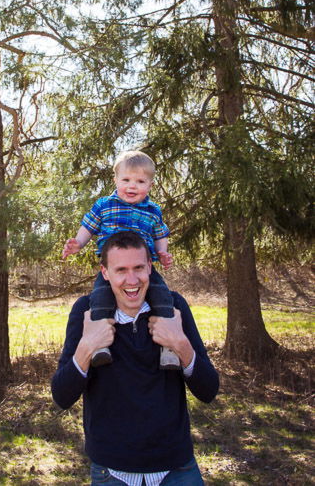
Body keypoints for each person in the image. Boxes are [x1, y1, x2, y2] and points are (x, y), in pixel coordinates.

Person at [52, 231, 219, 486]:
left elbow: (208, 390)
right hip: (112, 471)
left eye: (139, 267)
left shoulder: (173, 308)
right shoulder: (87, 312)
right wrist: (87, 347)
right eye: (121, 270)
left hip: (177, 468)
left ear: (150, 267)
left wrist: (180, 344)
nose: (132, 280)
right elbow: (62, 396)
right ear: (105, 273)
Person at [62, 150, 179, 369]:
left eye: (140, 181)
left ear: (150, 186)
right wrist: (78, 243)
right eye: (126, 180)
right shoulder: (104, 205)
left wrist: (163, 253)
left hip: (145, 269)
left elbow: (160, 234)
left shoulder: (153, 211)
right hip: (112, 271)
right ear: (115, 180)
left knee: (163, 297)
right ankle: (100, 347)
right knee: (99, 299)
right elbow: (89, 226)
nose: (132, 186)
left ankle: (168, 348)